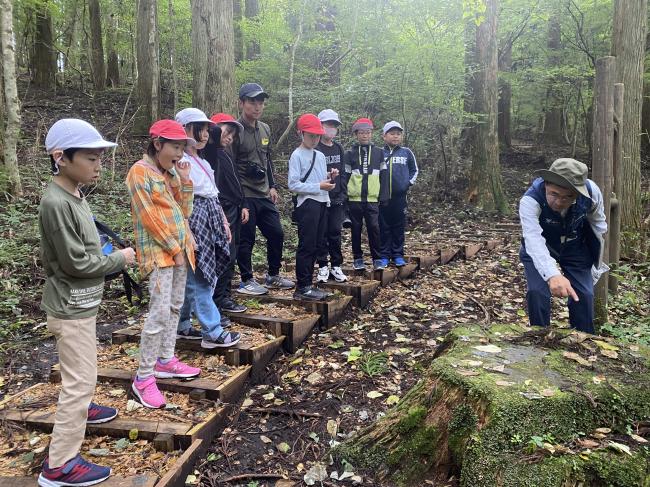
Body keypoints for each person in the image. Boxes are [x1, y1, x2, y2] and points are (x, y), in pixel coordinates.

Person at [38, 119, 136, 487]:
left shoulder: (74, 194)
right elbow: (76, 263)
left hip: (81, 305)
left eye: (100, 158)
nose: (98, 165)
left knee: (80, 371)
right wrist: (121, 259)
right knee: (79, 381)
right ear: (61, 158)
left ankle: (83, 409)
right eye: (92, 158)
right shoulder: (55, 203)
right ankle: (59, 465)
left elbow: (85, 248)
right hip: (70, 307)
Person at [126, 120, 202, 409]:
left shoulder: (169, 172)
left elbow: (184, 212)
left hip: (182, 250)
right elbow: (149, 217)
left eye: (183, 147)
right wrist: (174, 248)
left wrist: (185, 180)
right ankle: (143, 378)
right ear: (157, 144)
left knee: (175, 306)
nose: (180, 153)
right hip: (160, 254)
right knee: (158, 313)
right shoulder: (139, 172)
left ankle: (166, 359)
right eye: (175, 146)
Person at [174, 108, 241, 349]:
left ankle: (182, 324)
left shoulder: (202, 160)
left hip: (211, 215)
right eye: (199, 130)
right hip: (194, 218)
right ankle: (212, 330)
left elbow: (213, 193)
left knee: (195, 275)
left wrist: (223, 221)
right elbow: (181, 199)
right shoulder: (179, 162)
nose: (204, 135)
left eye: (205, 130)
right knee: (200, 275)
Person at [519, 158, 608, 334]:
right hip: (540, 246)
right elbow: (533, 239)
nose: (560, 202)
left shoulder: (591, 192)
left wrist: (594, 260)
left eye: (568, 196)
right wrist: (552, 274)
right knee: (537, 292)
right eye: (554, 194)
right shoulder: (530, 201)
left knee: (584, 295)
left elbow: (598, 224)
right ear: (545, 185)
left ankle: (583, 339)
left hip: (575, 246)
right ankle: (539, 336)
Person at [232, 82, 294, 295]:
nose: (257, 107)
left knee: (276, 233)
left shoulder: (265, 128)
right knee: (246, 239)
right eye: (252, 102)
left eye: (260, 102)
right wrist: (238, 198)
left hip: (263, 192)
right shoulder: (235, 131)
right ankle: (246, 279)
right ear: (241, 103)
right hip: (244, 193)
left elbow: (267, 159)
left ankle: (273, 275)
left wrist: (273, 185)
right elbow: (230, 165)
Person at [288, 114, 337, 300]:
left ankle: (309, 284)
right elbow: (293, 185)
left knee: (317, 245)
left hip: (323, 202)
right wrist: (319, 186)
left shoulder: (320, 155)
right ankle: (303, 286)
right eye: (310, 136)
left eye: (317, 136)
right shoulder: (297, 155)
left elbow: (317, 178)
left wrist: (330, 176)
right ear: (301, 134)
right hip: (308, 205)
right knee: (307, 245)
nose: (314, 139)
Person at [205, 113, 248, 313]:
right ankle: (218, 298)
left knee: (233, 252)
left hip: (235, 208)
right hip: (221, 208)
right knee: (224, 252)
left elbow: (236, 182)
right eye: (227, 131)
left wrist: (244, 204)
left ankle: (224, 295)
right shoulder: (210, 152)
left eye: (233, 135)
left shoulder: (226, 153)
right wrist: (215, 128)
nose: (230, 137)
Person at [343, 117, 389, 271]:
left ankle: (377, 259)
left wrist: (384, 196)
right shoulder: (349, 153)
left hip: (372, 199)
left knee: (374, 229)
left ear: (372, 134)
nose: (365, 135)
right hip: (354, 199)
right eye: (361, 132)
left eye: (368, 132)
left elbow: (384, 176)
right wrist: (344, 196)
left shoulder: (379, 153)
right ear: (356, 134)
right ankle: (358, 258)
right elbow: (345, 176)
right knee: (355, 229)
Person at [378, 121, 418, 267]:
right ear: (384, 136)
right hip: (382, 197)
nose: (395, 136)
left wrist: (407, 184)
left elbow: (415, 170)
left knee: (399, 226)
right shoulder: (379, 153)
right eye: (392, 133)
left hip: (400, 197)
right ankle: (384, 255)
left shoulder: (406, 152)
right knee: (383, 226)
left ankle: (398, 255)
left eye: (398, 134)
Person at [315, 109, 348, 283]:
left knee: (335, 231)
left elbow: (342, 172)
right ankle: (322, 266)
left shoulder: (339, 148)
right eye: (328, 125)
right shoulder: (315, 147)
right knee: (321, 233)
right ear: (320, 126)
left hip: (336, 198)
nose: (332, 128)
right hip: (319, 198)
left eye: (334, 125)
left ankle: (336, 265)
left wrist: (343, 193)